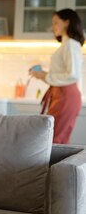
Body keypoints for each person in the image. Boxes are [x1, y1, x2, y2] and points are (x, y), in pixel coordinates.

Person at [30, 8, 84, 144]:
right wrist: (43, 75)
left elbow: (72, 74)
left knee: (54, 138)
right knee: (54, 137)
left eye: (55, 22)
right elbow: (65, 73)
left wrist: (45, 76)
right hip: (61, 94)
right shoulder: (66, 45)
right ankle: (52, 166)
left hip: (66, 95)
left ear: (66, 22)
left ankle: (51, 166)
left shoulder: (71, 45)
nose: (52, 27)